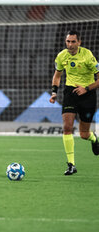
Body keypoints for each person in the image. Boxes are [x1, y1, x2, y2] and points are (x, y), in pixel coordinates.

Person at [49, 30, 99, 175]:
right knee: (67, 127)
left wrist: (86, 88)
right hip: (70, 92)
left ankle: (94, 138)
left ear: (79, 42)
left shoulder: (87, 56)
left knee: (84, 133)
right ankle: (71, 164)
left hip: (87, 94)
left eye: (73, 42)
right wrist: (54, 93)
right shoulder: (61, 56)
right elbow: (57, 76)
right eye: (68, 42)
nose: (70, 45)